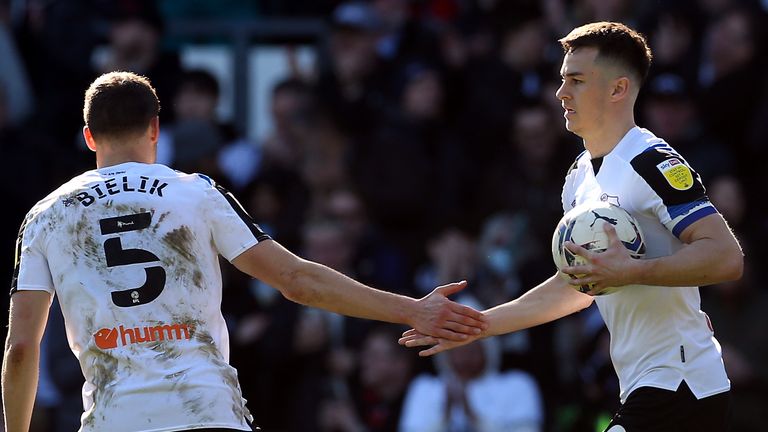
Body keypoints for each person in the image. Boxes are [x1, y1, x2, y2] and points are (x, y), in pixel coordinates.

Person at [2, 71, 488, 432]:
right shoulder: (196, 193)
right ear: (155, 129)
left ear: (89, 137)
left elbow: (22, 349)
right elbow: (297, 282)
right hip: (206, 412)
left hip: (115, 420)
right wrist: (411, 309)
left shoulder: (46, 216)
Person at [400, 21, 744, 432]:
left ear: (618, 89)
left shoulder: (651, 162)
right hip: (643, 384)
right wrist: (481, 325)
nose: (561, 94)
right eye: (562, 80)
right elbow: (576, 285)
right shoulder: (579, 176)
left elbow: (726, 257)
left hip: (682, 382)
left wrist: (632, 271)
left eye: (576, 81)